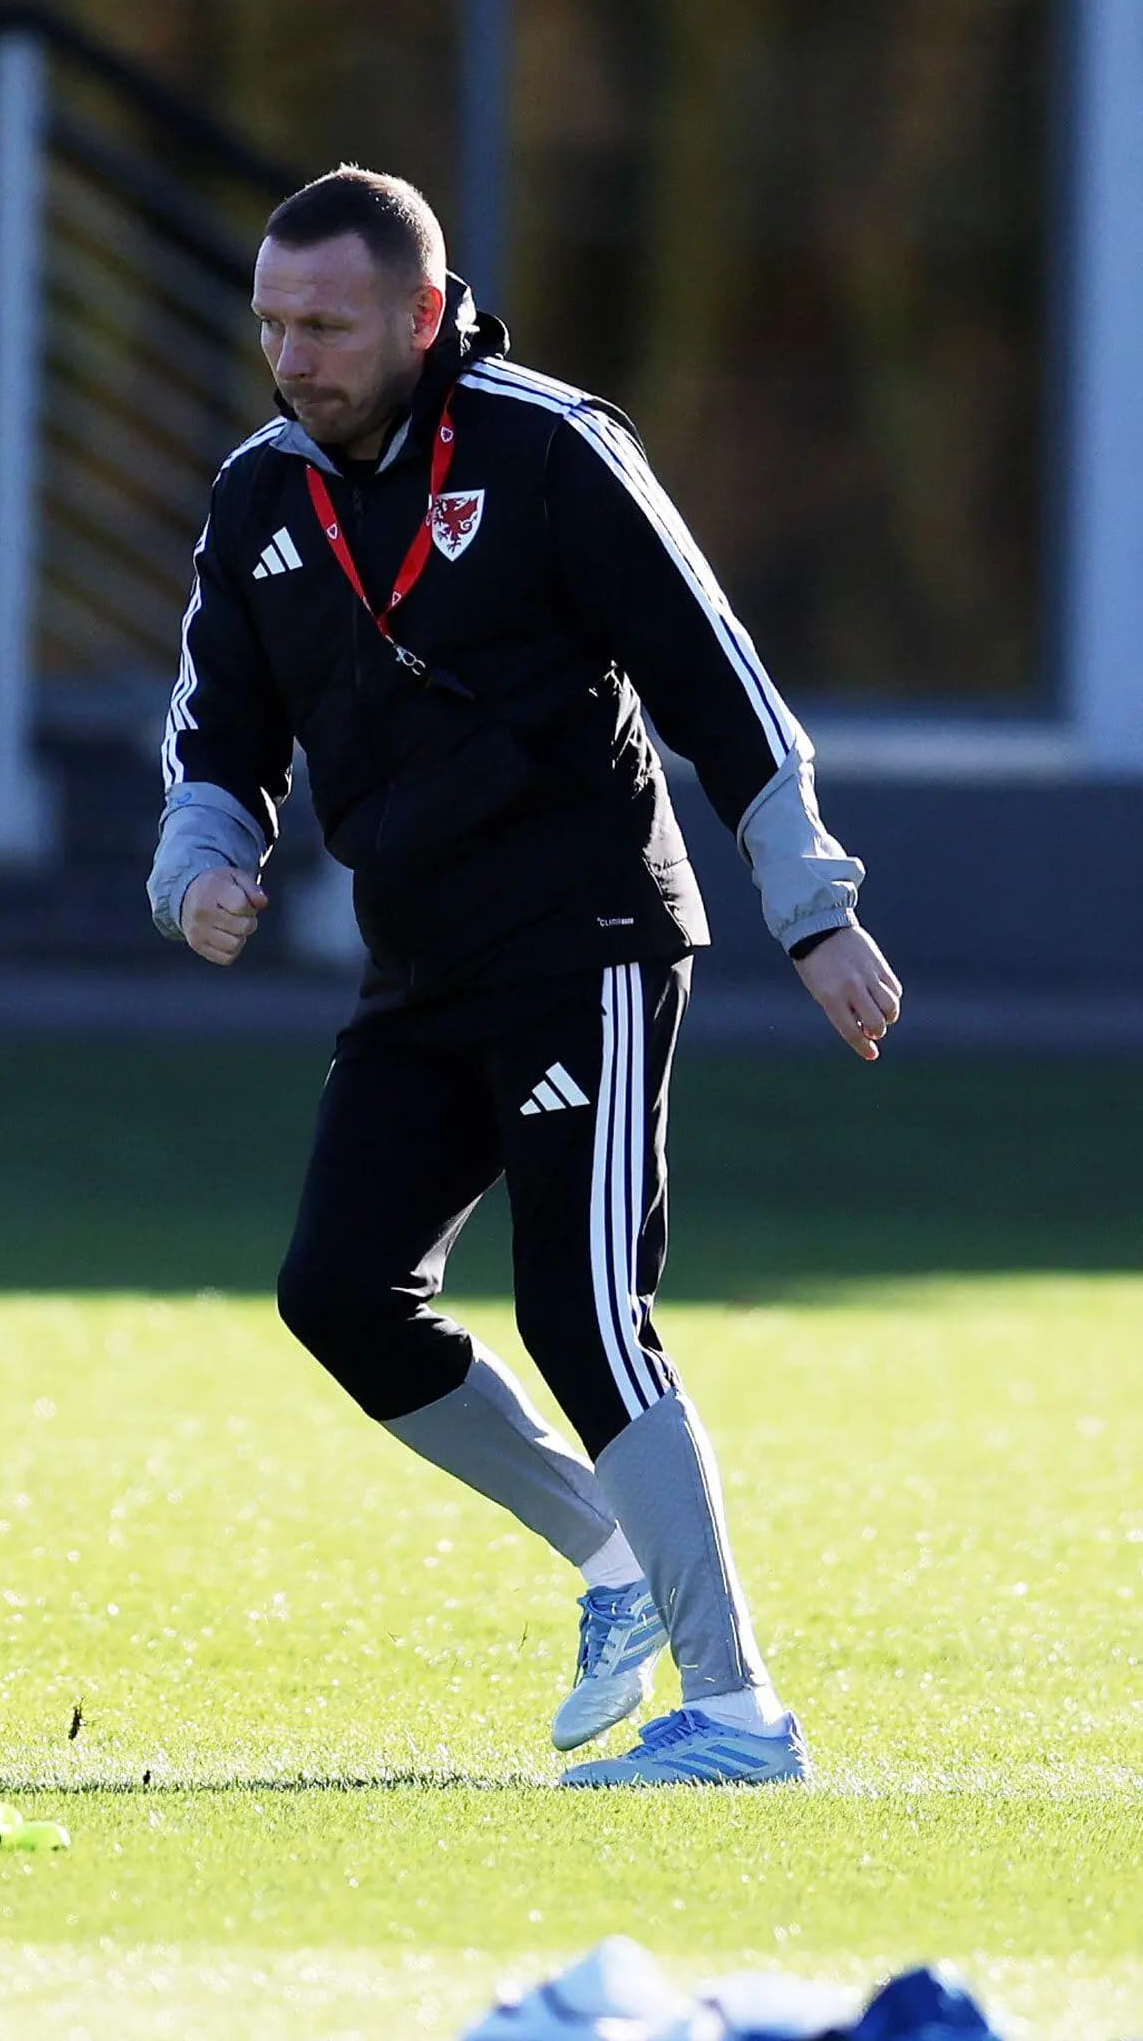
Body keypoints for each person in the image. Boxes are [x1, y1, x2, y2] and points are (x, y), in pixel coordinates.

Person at [148, 166, 903, 1787]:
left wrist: (814, 912)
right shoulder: (259, 496)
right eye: (271, 322)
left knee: (583, 1311)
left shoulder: (550, 448)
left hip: (589, 939)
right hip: (420, 959)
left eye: (326, 325)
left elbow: (720, 685)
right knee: (340, 1295)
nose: (290, 356)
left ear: (422, 316)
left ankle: (737, 1715)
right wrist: (199, 862)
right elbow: (218, 730)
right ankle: (608, 1553)